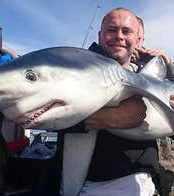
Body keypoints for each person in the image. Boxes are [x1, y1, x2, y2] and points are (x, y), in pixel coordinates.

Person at [56, 7, 163, 196]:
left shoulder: (153, 79)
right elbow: (39, 116)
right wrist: (109, 118)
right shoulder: (74, 71)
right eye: (112, 30)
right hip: (80, 183)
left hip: (139, 181)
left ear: (138, 40)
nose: (119, 36)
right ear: (100, 35)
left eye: (126, 31)